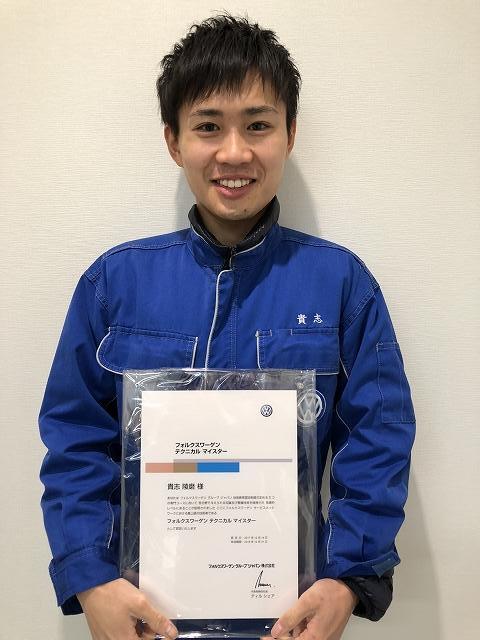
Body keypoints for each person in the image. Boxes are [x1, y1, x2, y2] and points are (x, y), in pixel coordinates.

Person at [39, 14, 415, 640]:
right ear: (173, 140)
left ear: (290, 134)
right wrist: (92, 580)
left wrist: (348, 581)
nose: (234, 152)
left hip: (291, 621)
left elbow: (379, 439)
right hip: (143, 620)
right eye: (208, 126)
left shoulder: (341, 284)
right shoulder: (114, 284)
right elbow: (75, 440)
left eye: (258, 125)